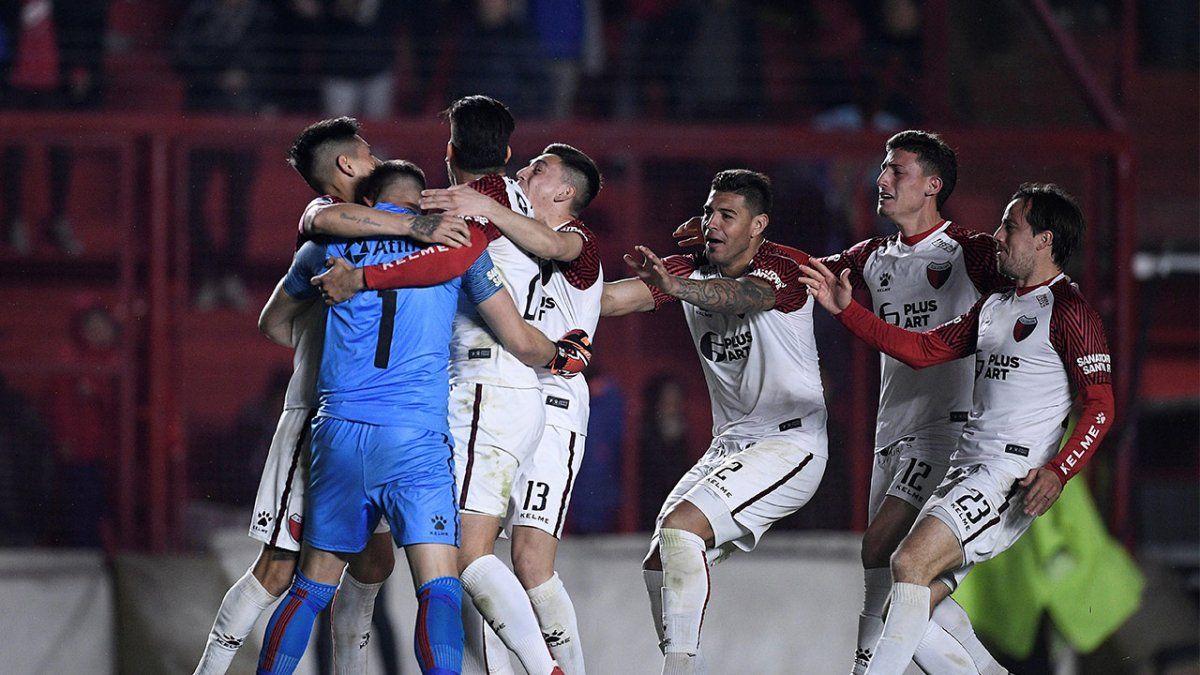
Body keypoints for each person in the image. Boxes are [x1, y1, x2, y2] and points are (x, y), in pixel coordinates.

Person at [673, 129, 1010, 673]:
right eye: (883, 167)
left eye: (896, 171)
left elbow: (1035, 294)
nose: (881, 179)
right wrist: (723, 242)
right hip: (893, 431)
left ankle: (864, 668)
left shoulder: (970, 253)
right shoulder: (872, 256)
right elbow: (792, 270)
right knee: (907, 583)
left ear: (932, 185)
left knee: (884, 555)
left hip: (950, 430)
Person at [254, 155, 587, 675]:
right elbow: (519, 337)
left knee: (312, 588)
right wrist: (564, 355)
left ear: (369, 202)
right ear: (426, 200)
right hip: (416, 440)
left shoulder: (327, 246)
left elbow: (274, 323)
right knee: (439, 591)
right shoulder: (456, 246)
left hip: (339, 431)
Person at [799, 183, 1115, 675]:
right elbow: (922, 350)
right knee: (905, 603)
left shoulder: (1071, 311)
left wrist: (1058, 471)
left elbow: (1100, 406)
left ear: (1045, 240)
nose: (998, 235)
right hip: (965, 468)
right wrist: (847, 311)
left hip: (1011, 476)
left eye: (1011, 226)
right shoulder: (993, 306)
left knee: (905, 566)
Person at [192, 118, 469, 675]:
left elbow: (275, 324)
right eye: (367, 153)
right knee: (278, 568)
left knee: (371, 564)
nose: (375, 158)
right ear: (345, 166)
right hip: (324, 415)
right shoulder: (323, 224)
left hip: (346, 423)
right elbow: (276, 321)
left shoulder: (343, 239)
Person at [316, 96, 567, 675]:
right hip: (494, 392)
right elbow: (567, 255)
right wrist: (562, 350)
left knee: (461, 561)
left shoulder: (461, 217)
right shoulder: (528, 210)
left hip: (475, 389)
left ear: (448, 153)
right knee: (393, 564)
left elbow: (283, 311)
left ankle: (545, 668)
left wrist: (362, 275)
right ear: (508, 154)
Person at [601, 169, 829, 674]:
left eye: (727, 215)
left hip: (790, 444)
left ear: (758, 225)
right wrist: (553, 285)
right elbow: (614, 300)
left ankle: (679, 669)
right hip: (729, 446)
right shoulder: (690, 268)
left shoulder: (781, 269)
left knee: (682, 530)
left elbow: (741, 298)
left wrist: (676, 285)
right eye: (708, 212)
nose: (713, 223)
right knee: (660, 560)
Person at [418, 142, 604, 673]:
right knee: (491, 557)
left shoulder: (577, 240)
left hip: (556, 402)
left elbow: (558, 247)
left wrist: (485, 206)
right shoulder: (514, 234)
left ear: (565, 192)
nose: (523, 171)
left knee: (528, 562)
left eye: (538, 169)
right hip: (516, 390)